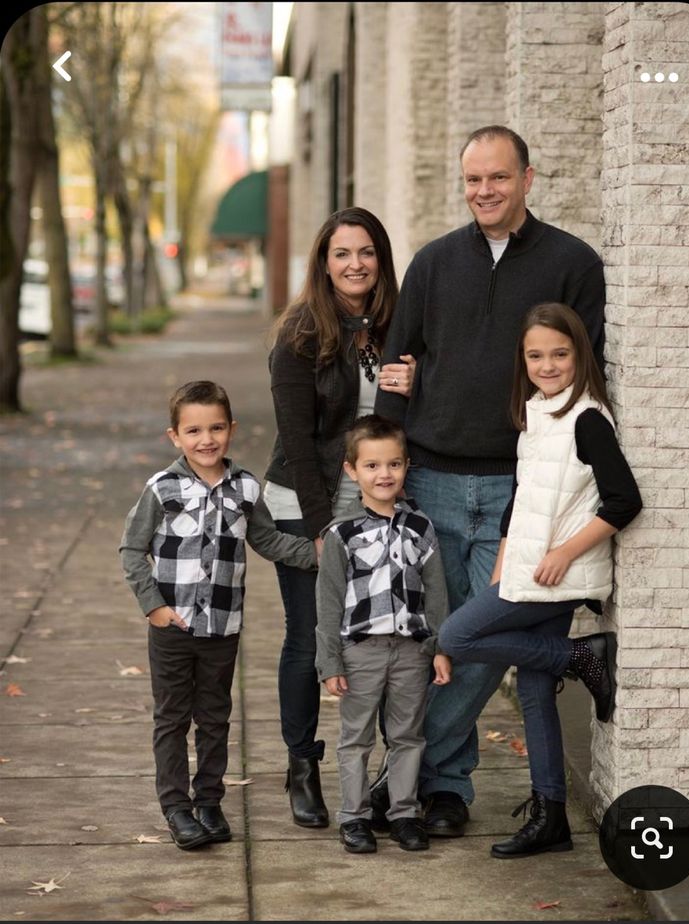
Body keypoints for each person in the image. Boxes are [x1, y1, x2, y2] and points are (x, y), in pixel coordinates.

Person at [374, 125, 607, 836]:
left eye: (497, 178)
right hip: (433, 479)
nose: (483, 191)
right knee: (429, 640)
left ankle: (408, 776)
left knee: (471, 641)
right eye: (472, 180)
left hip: (520, 491)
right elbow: (394, 366)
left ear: (527, 178)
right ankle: (445, 791)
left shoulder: (572, 262)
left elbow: (587, 379)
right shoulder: (434, 262)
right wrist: (383, 480)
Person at [438, 303, 642, 857]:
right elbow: (520, 504)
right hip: (529, 571)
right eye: (536, 355)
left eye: (559, 353)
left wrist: (563, 552)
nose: (547, 365)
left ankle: (580, 657)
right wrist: (502, 569)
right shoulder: (538, 412)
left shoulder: (587, 418)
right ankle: (551, 816)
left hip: (559, 573)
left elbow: (624, 500)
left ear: (580, 354)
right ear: (522, 360)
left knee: (456, 637)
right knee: (532, 691)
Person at [262, 207, 415, 828]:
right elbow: (297, 442)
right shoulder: (299, 334)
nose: (355, 264)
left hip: (379, 501)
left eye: (366, 252)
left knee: (383, 644)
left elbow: (399, 429)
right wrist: (326, 528)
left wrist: (414, 383)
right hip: (306, 503)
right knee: (310, 639)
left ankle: (382, 777)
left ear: (381, 258)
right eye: (342, 253)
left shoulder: (398, 329)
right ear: (323, 264)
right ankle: (302, 767)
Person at [119, 381, 317, 850]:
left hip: (222, 627)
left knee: (215, 716)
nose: (206, 439)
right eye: (193, 430)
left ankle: (208, 800)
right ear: (175, 436)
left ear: (231, 429)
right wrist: (155, 607)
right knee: (172, 717)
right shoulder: (162, 488)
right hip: (173, 626)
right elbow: (131, 549)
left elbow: (267, 540)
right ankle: (176, 806)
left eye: (216, 428)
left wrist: (321, 555)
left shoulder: (246, 487)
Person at [315, 414, 451, 853]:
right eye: (372, 466)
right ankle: (354, 818)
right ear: (352, 470)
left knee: (408, 735)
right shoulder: (341, 534)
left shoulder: (420, 529)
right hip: (360, 651)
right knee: (356, 737)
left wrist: (439, 648)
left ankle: (404, 814)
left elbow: (436, 596)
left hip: (411, 651)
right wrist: (330, 661)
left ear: (406, 465)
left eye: (393, 464)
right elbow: (329, 602)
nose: (384, 474)